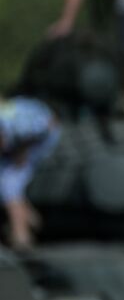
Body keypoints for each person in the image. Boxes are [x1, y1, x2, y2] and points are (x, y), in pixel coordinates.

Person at [0, 97, 60, 250]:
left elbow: (49, 124)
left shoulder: (14, 119)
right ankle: (33, 221)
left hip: (39, 147)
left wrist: (23, 150)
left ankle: (21, 237)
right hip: (19, 150)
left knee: (9, 185)